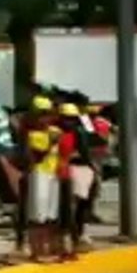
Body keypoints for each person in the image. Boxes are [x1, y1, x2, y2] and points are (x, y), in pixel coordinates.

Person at [25, 96, 61, 262]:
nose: (44, 118)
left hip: (53, 174)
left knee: (50, 215)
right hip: (39, 174)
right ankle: (36, 251)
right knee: (37, 216)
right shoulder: (33, 135)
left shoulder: (54, 131)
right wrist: (50, 144)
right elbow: (37, 156)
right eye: (41, 114)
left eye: (46, 114)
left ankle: (48, 248)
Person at [57, 103, 94, 259]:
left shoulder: (80, 131)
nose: (69, 121)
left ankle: (75, 238)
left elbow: (85, 153)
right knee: (68, 209)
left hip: (78, 171)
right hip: (64, 172)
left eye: (71, 118)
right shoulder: (57, 132)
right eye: (66, 118)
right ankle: (71, 241)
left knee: (78, 206)